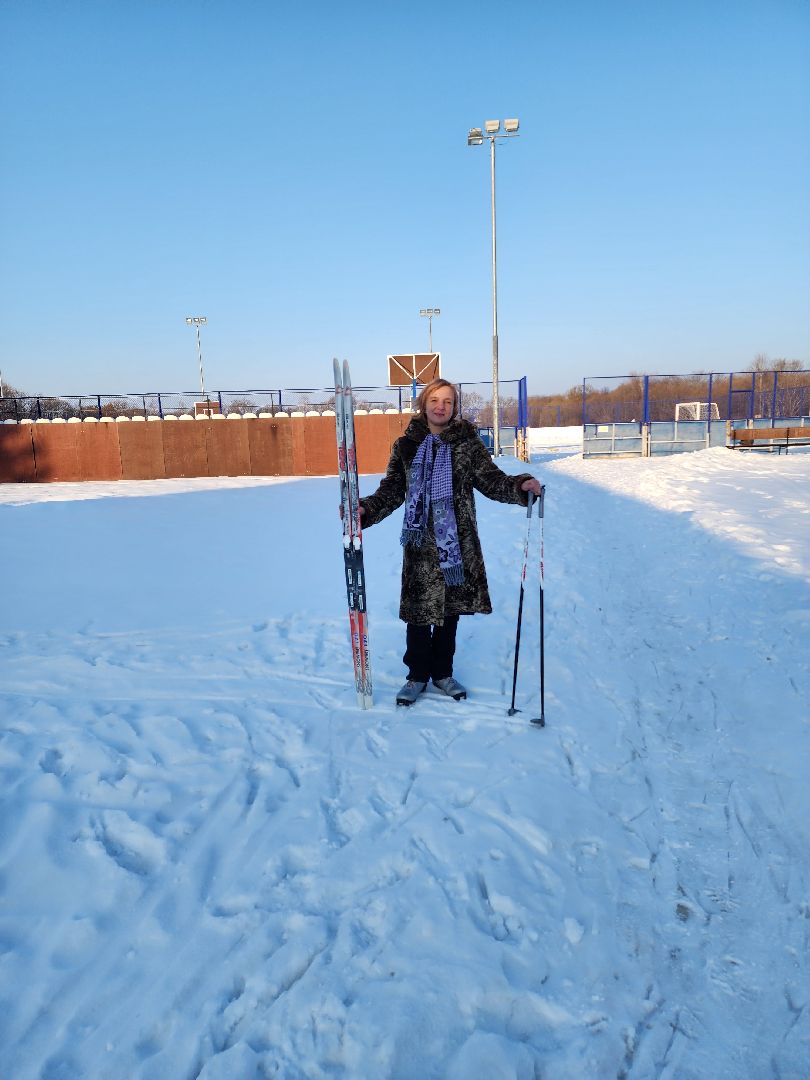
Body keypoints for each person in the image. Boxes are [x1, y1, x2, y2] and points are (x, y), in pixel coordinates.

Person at [358, 378, 542, 706]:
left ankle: (442, 673)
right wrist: (365, 510)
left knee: (450, 611)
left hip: (457, 544)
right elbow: (392, 489)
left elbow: (492, 480)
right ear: (423, 404)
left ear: (455, 407)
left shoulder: (467, 444)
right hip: (420, 545)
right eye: (434, 400)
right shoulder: (406, 446)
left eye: (447, 401)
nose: (440, 406)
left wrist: (520, 486)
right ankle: (417, 676)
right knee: (418, 614)